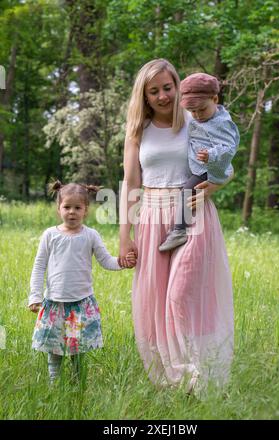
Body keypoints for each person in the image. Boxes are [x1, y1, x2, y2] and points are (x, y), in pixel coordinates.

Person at [119, 59, 234, 395]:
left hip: (193, 215)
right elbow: (130, 182)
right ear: (144, 95)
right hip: (153, 217)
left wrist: (212, 187)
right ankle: (173, 380)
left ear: (178, 86)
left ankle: (202, 371)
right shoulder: (138, 130)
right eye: (153, 91)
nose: (162, 96)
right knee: (156, 298)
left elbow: (227, 167)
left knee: (182, 294)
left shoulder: (196, 120)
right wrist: (125, 235)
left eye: (167, 88)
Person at [28, 180, 135, 384]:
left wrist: (123, 262)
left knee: (78, 347)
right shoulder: (50, 235)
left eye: (77, 208)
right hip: (55, 302)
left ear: (86, 210)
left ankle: (78, 381)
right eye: (67, 207)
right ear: (59, 208)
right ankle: (54, 382)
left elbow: (106, 261)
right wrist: (34, 296)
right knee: (54, 345)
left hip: (80, 303)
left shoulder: (91, 235)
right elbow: (39, 267)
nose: (72, 212)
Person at [159, 72, 240, 252]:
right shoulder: (199, 118)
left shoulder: (221, 123)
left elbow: (229, 147)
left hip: (209, 169)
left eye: (201, 109)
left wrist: (211, 155)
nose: (196, 115)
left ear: (215, 98)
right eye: (192, 111)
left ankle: (179, 231)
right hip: (200, 167)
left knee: (187, 190)